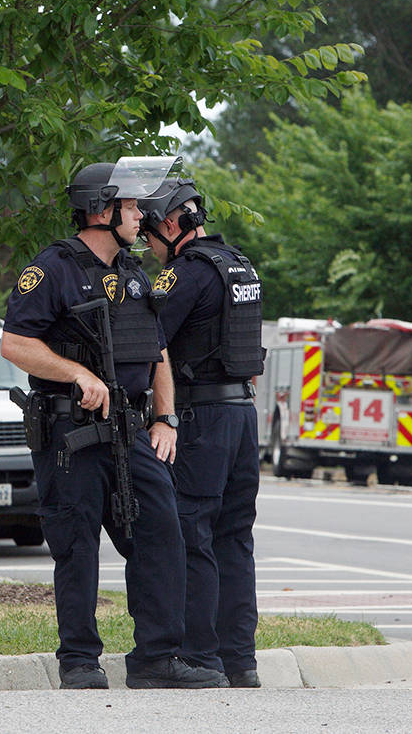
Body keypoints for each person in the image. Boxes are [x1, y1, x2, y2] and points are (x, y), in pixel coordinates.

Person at [1, 160, 228, 690]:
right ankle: (79, 659)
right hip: (71, 432)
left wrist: (165, 418)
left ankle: (155, 657)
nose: (141, 217)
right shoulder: (52, 268)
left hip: (130, 430)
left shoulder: (131, 272)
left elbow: (158, 351)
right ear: (102, 209)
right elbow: (15, 343)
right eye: (132, 207)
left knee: (161, 534)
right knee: (76, 545)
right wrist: (76, 373)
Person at [139, 177, 264, 689]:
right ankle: (241, 660)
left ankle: (199, 656)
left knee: (194, 534)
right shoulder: (239, 264)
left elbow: (149, 336)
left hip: (202, 419)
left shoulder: (185, 274)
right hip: (242, 417)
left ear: (171, 225)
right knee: (235, 538)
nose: (147, 245)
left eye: (149, 233)